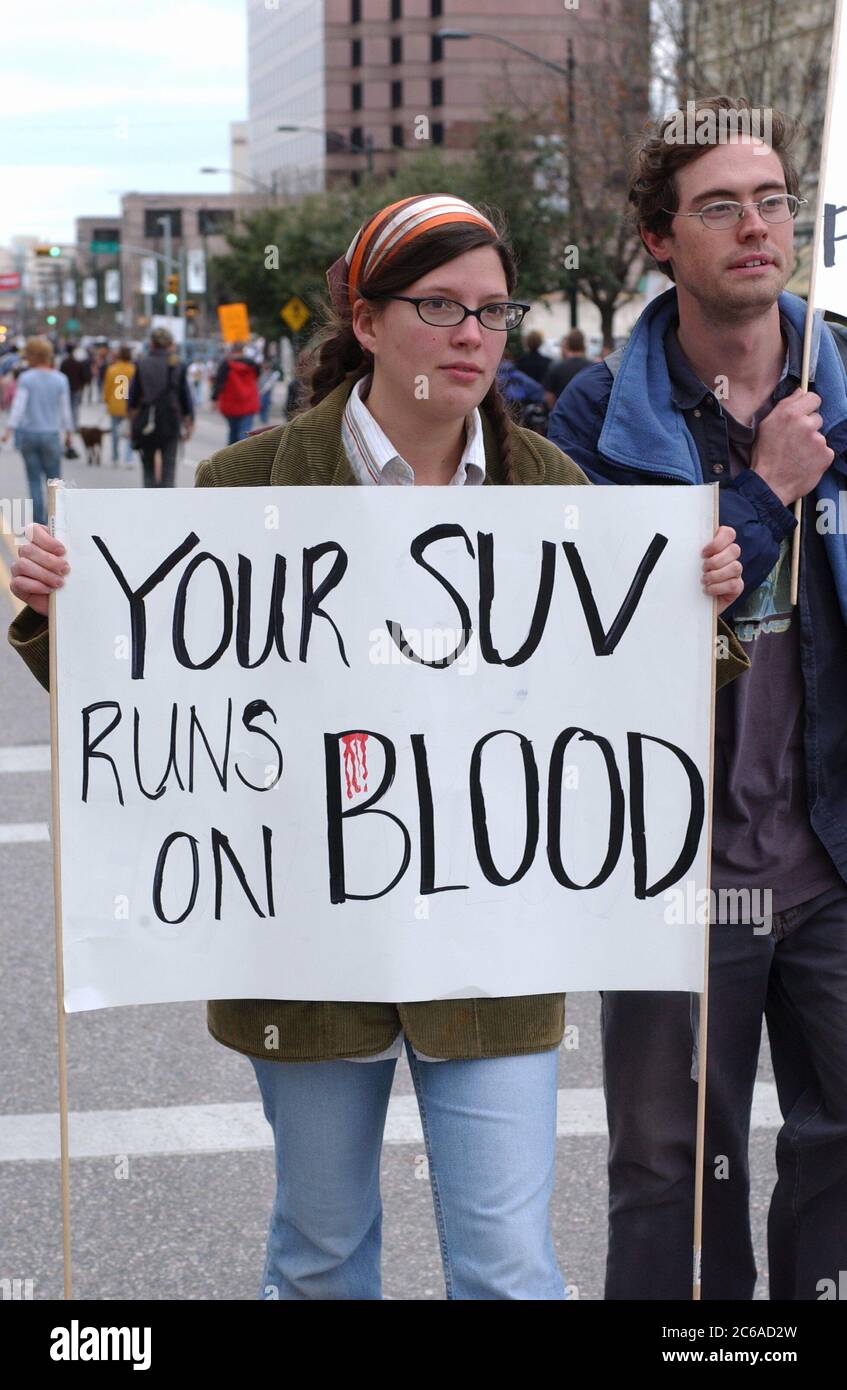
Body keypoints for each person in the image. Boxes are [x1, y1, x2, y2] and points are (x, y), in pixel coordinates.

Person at [7, 192, 745, 1302]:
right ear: (365, 319)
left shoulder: (550, 486)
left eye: (495, 313)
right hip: (303, 945)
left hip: (491, 947)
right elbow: (158, 705)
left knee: (507, 1267)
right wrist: (65, 611)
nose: (472, 338)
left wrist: (700, 613)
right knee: (318, 1253)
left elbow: (629, 700)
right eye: (440, 306)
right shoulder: (247, 484)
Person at [548, 95, 847, 1301]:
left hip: (828, 856)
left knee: (838, 1147)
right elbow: (583, 635)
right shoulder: (589, 419)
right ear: (661, 242)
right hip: (674, 876)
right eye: (718, 206)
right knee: (674, 1167)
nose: (755, 226)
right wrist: (761, 492)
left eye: (771, 200)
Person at [0, 337, 72, 527]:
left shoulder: (26, 378)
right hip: (51, 434)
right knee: (54, 481)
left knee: (34, 480)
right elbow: (65, 410)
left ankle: (38, 522)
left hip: (29, 434)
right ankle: (55, 519)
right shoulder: (60, 379)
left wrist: (9, 430)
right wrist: (69, 433)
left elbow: (18, 407)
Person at [127, 326, 193, 488]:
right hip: (171, 419)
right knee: (169, 469)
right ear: (169, 343)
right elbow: (185, 397)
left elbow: (133, 398)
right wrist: (188, 421)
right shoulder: (178, 364)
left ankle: (150, 505)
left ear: (152, 344)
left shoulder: (142, 363)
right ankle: (167, 506)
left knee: (148, 468)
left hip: (147, 420)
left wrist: (131, 423)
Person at [211, 340, 261, 443]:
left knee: (233, 432)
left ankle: (230, 455)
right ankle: (242, 455)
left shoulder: (225, 364)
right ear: (243, 350)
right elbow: (257, 376)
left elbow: (219, 383)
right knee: (245, 432)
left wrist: (214, 399)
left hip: (230, 404)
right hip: (248, 402)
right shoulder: (252, 364)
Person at [102, 345, 136, 467]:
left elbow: (107, 387)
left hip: (115, 404)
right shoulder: (134, 369)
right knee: (129, 433)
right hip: (129, 405)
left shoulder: (112, 369)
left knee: (115, 432)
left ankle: (115, 457)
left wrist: (106, 400)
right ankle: (129, 458)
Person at [543, 330, 592, 410]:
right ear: (583, 344)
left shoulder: (556, 367)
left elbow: (549, 396)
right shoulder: (592, 367)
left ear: (567, 344)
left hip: (563, 414)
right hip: (586, 415)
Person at [59, 342, 91, 430]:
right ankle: (74, 425)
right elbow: (83, 375)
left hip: (67, 388)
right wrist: (83, 384)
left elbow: (60, 375)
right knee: (75, 407)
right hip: (77, 388)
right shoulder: (77, 363)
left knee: (67, 407)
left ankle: (67, 425)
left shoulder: (64, 363)